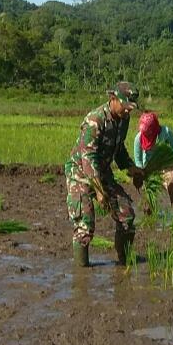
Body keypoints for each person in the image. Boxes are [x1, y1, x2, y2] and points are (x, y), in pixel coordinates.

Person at [63, 81, 144, 268]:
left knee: (127, 215)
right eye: (125, 106)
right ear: (113, 99)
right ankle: (81, 271)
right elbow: (88, 157)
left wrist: (132, 169)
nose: (127, 111)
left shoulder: (123, 119)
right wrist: (99, 190)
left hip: (103, 171)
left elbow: (119, 149)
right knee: (85, 224)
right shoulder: (95, 120)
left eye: (130, 108)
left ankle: (124, 261)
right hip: (80, 172)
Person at [132, 112, 173, 212]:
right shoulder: (138, 139)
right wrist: (141, 174)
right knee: (149, 192)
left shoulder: (165, 132)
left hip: (166, 165)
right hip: (148, 168)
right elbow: (138, 160)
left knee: (172, 184)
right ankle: (149, 215)